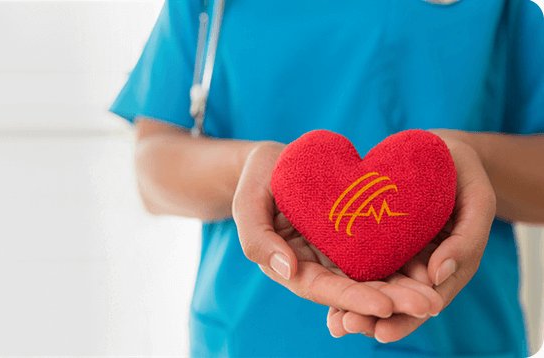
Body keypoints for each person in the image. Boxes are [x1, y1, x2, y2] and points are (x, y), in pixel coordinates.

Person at [110, 0, 544, 357]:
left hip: (458, 340)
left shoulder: (503, 9)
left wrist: (471, 161)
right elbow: (153, 168)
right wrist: (257, 171)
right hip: (249, 339)